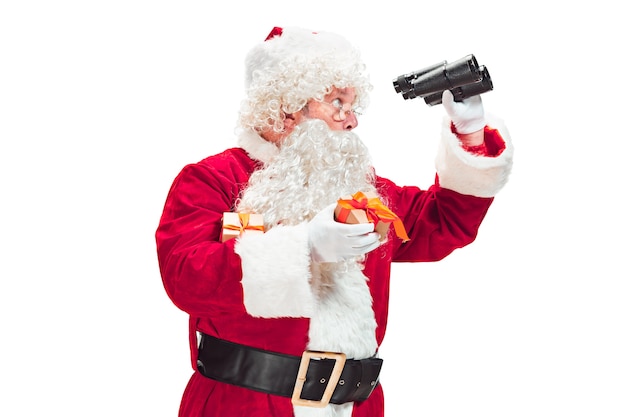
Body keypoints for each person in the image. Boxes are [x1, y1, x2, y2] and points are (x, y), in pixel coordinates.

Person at [155, 26, 513, 417]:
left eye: (353, 106)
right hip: (247, 405)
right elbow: (185, 277)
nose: (352, 121)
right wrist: (304, 248)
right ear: (287, 105)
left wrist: (471, 133)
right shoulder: (212, 179)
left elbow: (441, 223)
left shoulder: (362, 189)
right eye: (338, 103)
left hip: (357, 407)